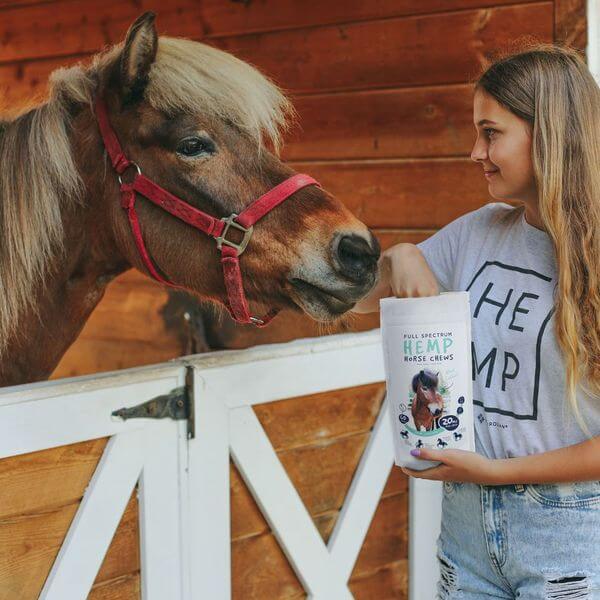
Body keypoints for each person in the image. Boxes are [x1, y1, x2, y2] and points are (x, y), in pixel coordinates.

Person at [352, 44, 600, 598]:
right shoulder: (480, 231)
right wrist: (399, 255)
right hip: (465, 530)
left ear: (551, 136)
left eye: (491, 133)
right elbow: (357, 299)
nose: (474, 152)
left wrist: (496, 474)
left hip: (571, 538)